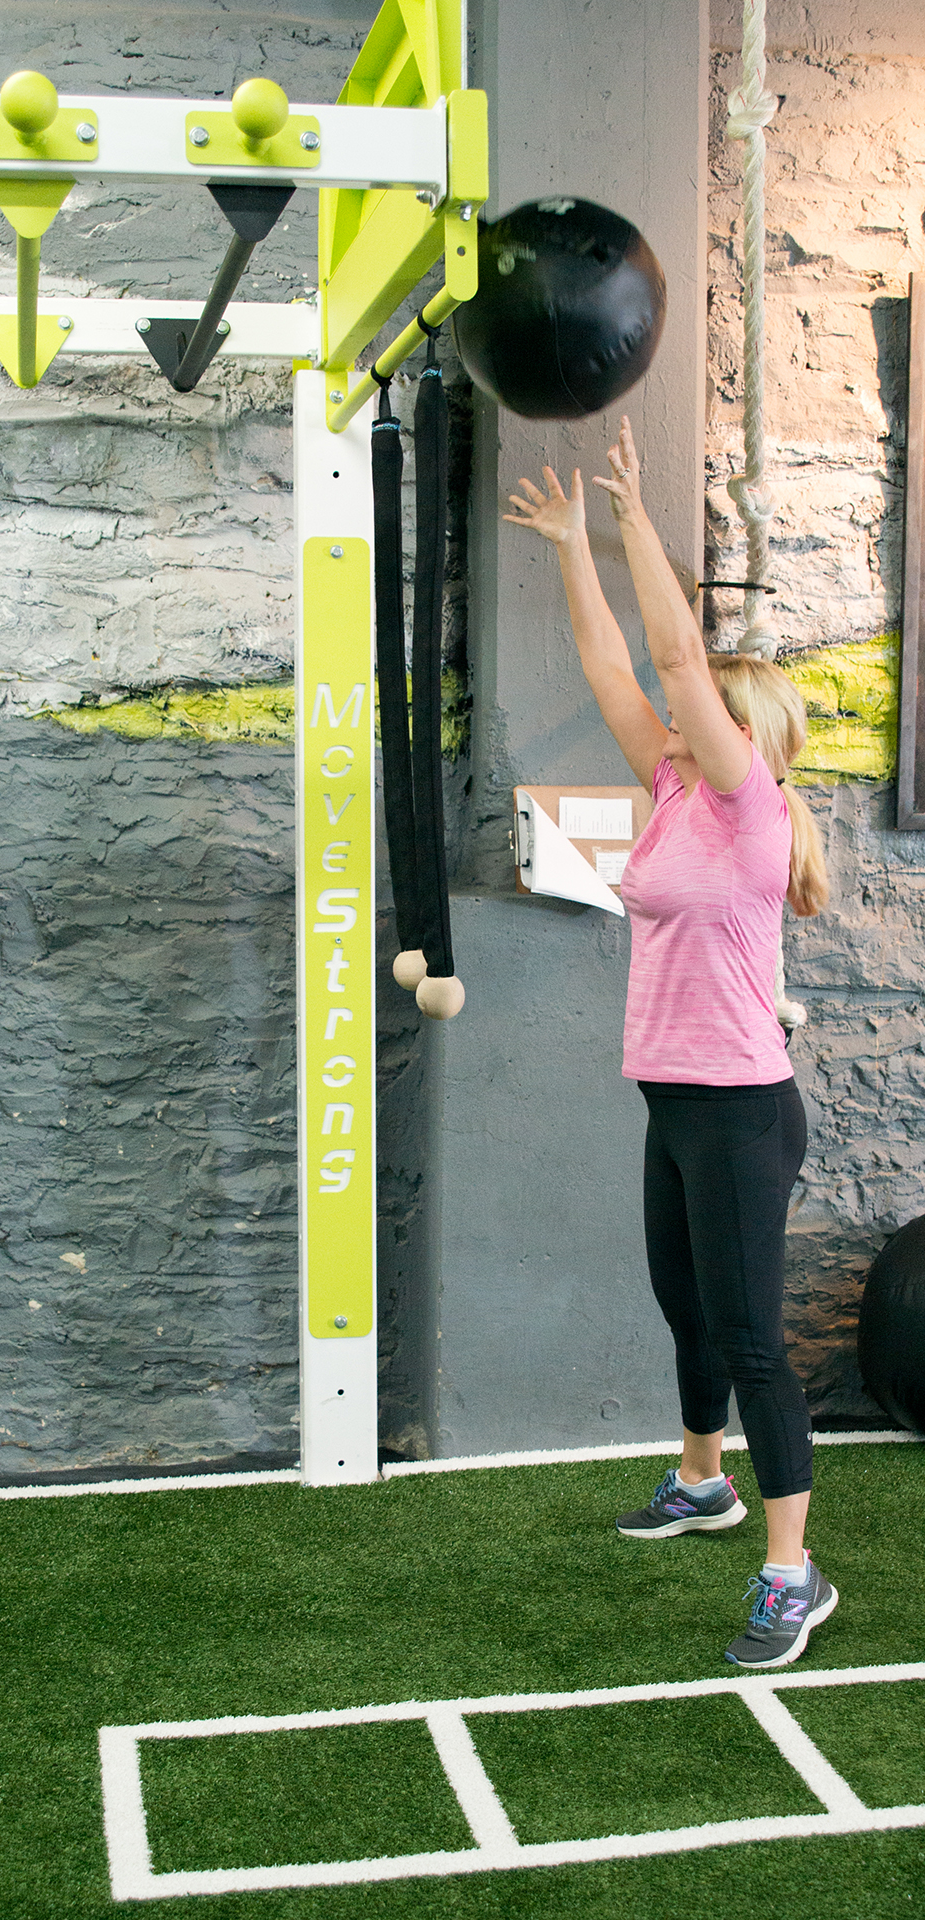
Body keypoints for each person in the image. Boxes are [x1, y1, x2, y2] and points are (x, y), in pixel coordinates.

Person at [505, 417, 833, 1670]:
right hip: (674, 1103)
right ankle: (705, 1482)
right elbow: (611, 666)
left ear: (736, 732)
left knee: (752, 1342)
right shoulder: (680, 790)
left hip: (743, 1112)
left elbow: (673, 648)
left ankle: (792, 1575)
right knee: (683, 1310)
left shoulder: (750, 812)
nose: (672, 719)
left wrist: (638, 518)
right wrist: (570, 547)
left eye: (696, 714)